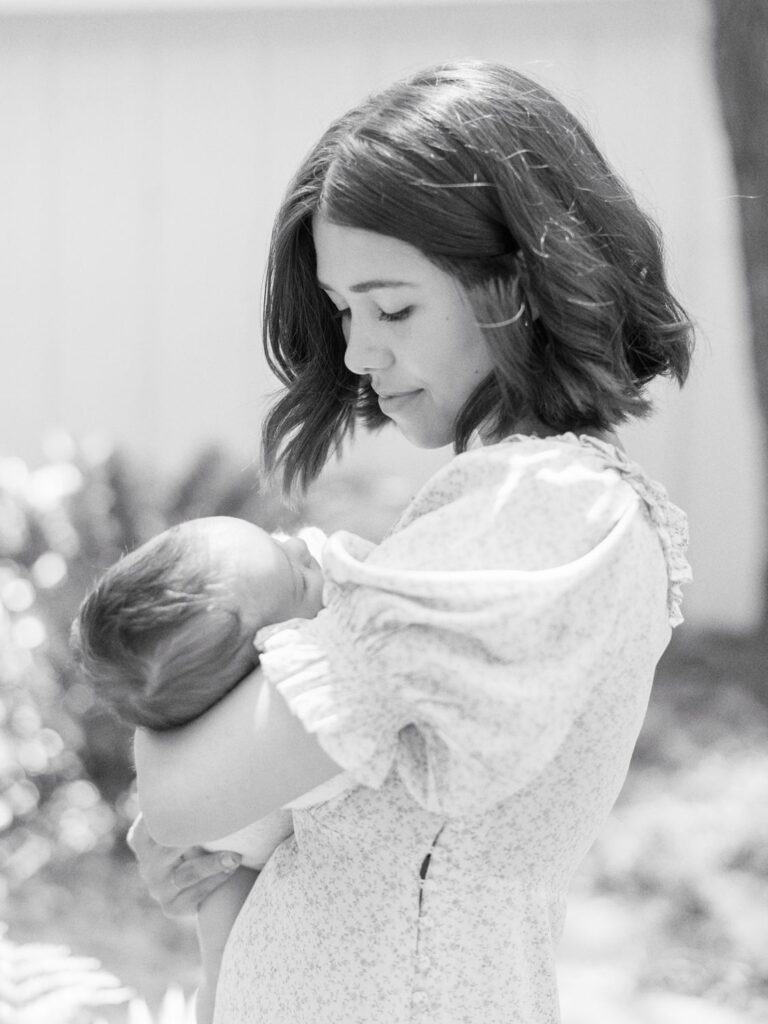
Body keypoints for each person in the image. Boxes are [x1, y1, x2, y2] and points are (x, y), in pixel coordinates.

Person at [127, 59, 694, 1024]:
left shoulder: (546, 513)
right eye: (345, 310)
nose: (356, 353)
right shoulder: (496, 513)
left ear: (521, 281)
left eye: (393, 307)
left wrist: (162, 703)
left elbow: (183, 793)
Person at [71, 516, 340, 1022]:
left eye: (278, 540)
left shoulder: (257, 616)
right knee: (224, 966)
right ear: (270, 657)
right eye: (301, 577)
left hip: (225, 854)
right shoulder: (301, 681)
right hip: (235, 860)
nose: (302, 546)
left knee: (221, 963)